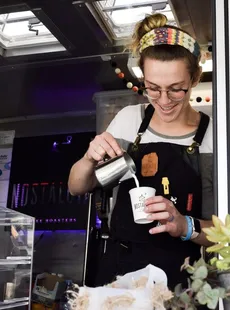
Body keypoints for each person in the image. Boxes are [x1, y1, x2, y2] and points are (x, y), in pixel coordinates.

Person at [68, 13, 214, 289]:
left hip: (182, 282)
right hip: (120, 274)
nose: (164, 101)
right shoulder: (129, 121)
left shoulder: (213, 137)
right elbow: (77, 186)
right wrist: (89, 158)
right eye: (153, 89)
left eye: (176, 90)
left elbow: (227, 234)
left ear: (194, 78)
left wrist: (185, 226)